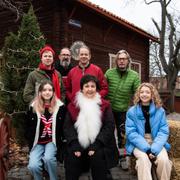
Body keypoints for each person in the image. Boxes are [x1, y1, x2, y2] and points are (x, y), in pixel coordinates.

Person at [63, 74, 118, 180]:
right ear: (82, 89)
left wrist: (97, 144)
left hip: (99, 142)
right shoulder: (72, 106)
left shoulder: (105, 105)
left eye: (93, 86)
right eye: (86, 86)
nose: (90, 89)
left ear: (96, 89)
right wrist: (75, 145)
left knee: (98, 156)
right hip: (78, 142)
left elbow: (109, 126)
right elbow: (68, 127)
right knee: (72, 156)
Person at [125, 83, 172, 180]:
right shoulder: (132, 112)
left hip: (156, 140)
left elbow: (163, 131)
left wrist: (154, 149)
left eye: (147, 92)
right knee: (143, 160)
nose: (144, 94)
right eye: (141, 92)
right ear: (138, 94)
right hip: (138, 142)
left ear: (152, 95)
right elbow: (131, 133)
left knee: (164, 160)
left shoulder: (160, 111)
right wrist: (147, 149)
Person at [105, 49, 140, 169]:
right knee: (108, 133)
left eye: (124, 59)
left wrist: (136, 109)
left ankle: (123, 158)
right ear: (116, 61)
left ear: (128, 61)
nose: (121, 61)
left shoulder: (134, 75)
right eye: (119, 59)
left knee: (123, 135)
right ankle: (109, 156)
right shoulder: (109, 73)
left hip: (123, 110)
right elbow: (103, 88)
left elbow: (137, 93)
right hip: (108, 109)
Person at [25, 80, 66, 180]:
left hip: (51, 141)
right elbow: (27, 126)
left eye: (50, 90)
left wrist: (62, 141)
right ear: (40, 92)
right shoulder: (33, 107)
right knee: (33, 165)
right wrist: (30, 140)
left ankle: (53, 178)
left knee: (48, 159)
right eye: (44, 90)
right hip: (37, 142)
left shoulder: (60, 107)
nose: (47, 92)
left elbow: (63, 127)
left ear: (53, 92)